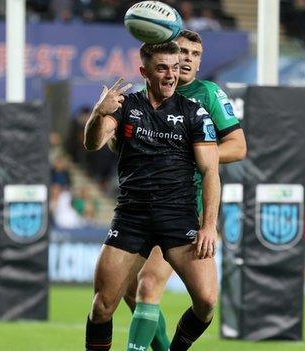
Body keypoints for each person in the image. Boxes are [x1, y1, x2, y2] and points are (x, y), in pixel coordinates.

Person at [83, 41, 220, 351]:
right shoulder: (125, 106)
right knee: (102, 306)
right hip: (132, 217)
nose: (171, 75)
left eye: (175, 67)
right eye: (162, 68)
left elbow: (211, 172)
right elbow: (93, 143)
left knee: (207, 301)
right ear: (144, 71)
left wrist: (208, 225)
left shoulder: (194, 113)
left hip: (178, 217)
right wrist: (96, 114)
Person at [122, 29, 246, 351]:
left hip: (187, 206)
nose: (188, 59)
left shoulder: (209, 94)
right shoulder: (142, 95)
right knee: (129, 288)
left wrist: (187, 150)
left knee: (162, 288)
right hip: (145, 202)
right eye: (183, 52)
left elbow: (238, 145)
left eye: (195, 54)